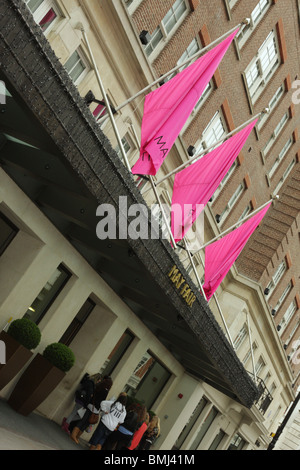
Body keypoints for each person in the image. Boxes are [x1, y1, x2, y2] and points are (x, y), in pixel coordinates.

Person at [69, 375, 113, 444]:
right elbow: (101, 401)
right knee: (86, 423)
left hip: (90, 405)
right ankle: (76, 436)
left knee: (83, 420)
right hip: (95, 408)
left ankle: (74, 434)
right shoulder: (105, 391)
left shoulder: (98, 386)